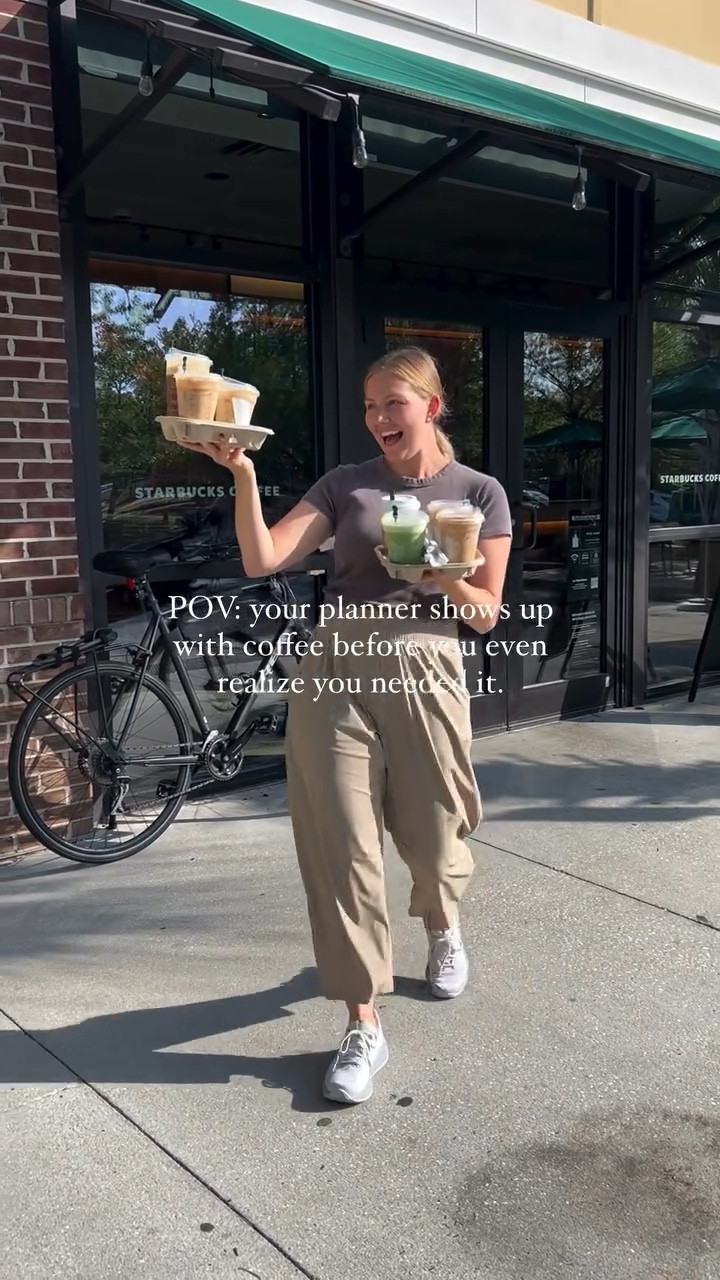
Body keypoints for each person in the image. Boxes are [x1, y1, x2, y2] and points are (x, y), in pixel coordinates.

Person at [179, 346, 512, 1105]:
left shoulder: (479, 492)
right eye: (369, 405)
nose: (378, 418)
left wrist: (441, 574)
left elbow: (488, 615)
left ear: (432, 406)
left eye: (393, 403)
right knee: (340, 841)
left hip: (427, 660)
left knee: (433, 834)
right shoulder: (344, 485)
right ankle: (364, 1020)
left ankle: (439, 919)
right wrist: (243, 475)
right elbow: (263, 558)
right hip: (336, 664)